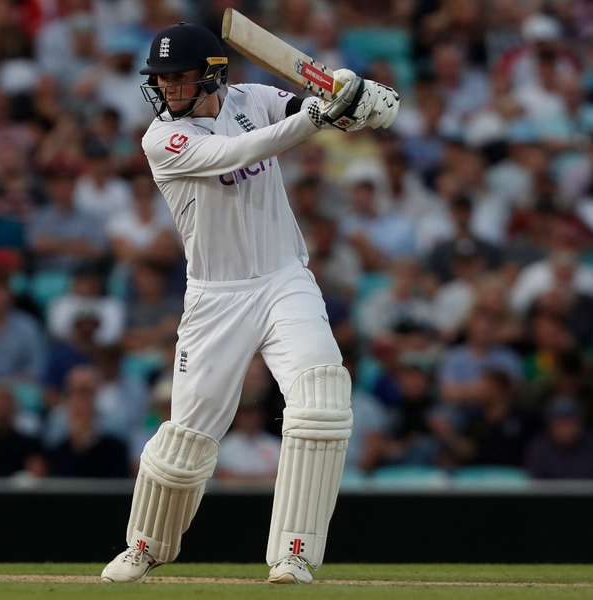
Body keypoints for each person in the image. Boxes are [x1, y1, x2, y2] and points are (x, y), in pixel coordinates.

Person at [101, 22, 399, 584]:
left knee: (321, 401)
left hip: (285, 278)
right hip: (217, 298)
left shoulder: (255, 99)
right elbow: (244, 148)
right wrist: (320, 115)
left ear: (213, 74)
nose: (167, 90)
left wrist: (354, 99)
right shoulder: (162, 139)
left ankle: (293, 553)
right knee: (187, 439)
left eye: (178, 78)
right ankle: (146, 545)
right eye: (160, 80)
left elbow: (312, 106)